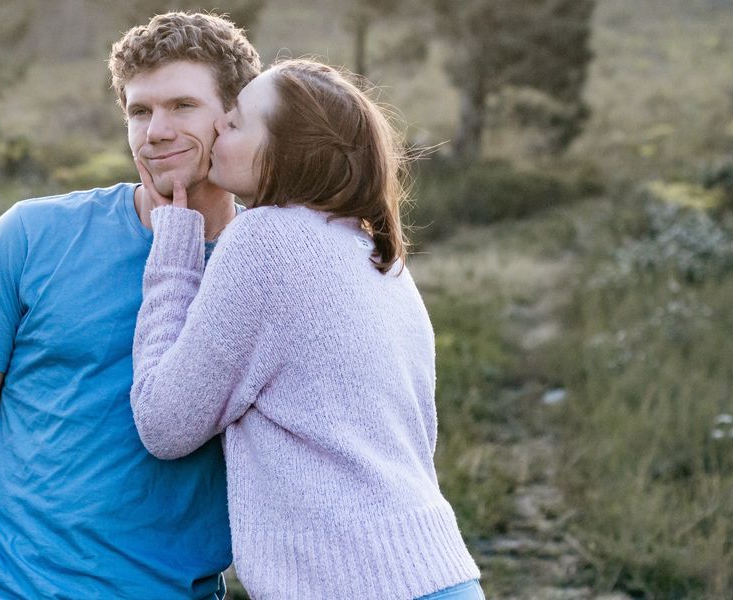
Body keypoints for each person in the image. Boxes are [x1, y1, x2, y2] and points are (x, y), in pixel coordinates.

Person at [0, 12, 261, 600]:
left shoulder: (266, 271)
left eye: (182, 107)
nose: (155, 132)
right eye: (139, 112)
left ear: (236, 114)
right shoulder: (32, 235)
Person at [130, 59, 484, 599]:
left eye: (237, 122)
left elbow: (164, 423)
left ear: (284, 151)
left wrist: (175, 255)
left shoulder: (264, 241)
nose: (218, 126)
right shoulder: (375, 255)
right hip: (438, 573)